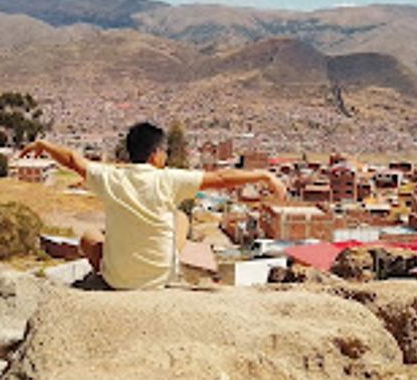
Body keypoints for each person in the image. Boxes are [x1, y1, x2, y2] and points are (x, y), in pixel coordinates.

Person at [19, 121, 286, 290]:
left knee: (89, 237)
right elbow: (220, 178)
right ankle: (168, 263)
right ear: (156, 154)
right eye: (164, 151)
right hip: (160, 278)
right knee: (180, 219)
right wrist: (264, 175)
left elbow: (72, 160)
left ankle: (103, 274)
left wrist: (44, 144)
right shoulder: (169, 179)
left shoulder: (110, 176)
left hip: (117, 281)